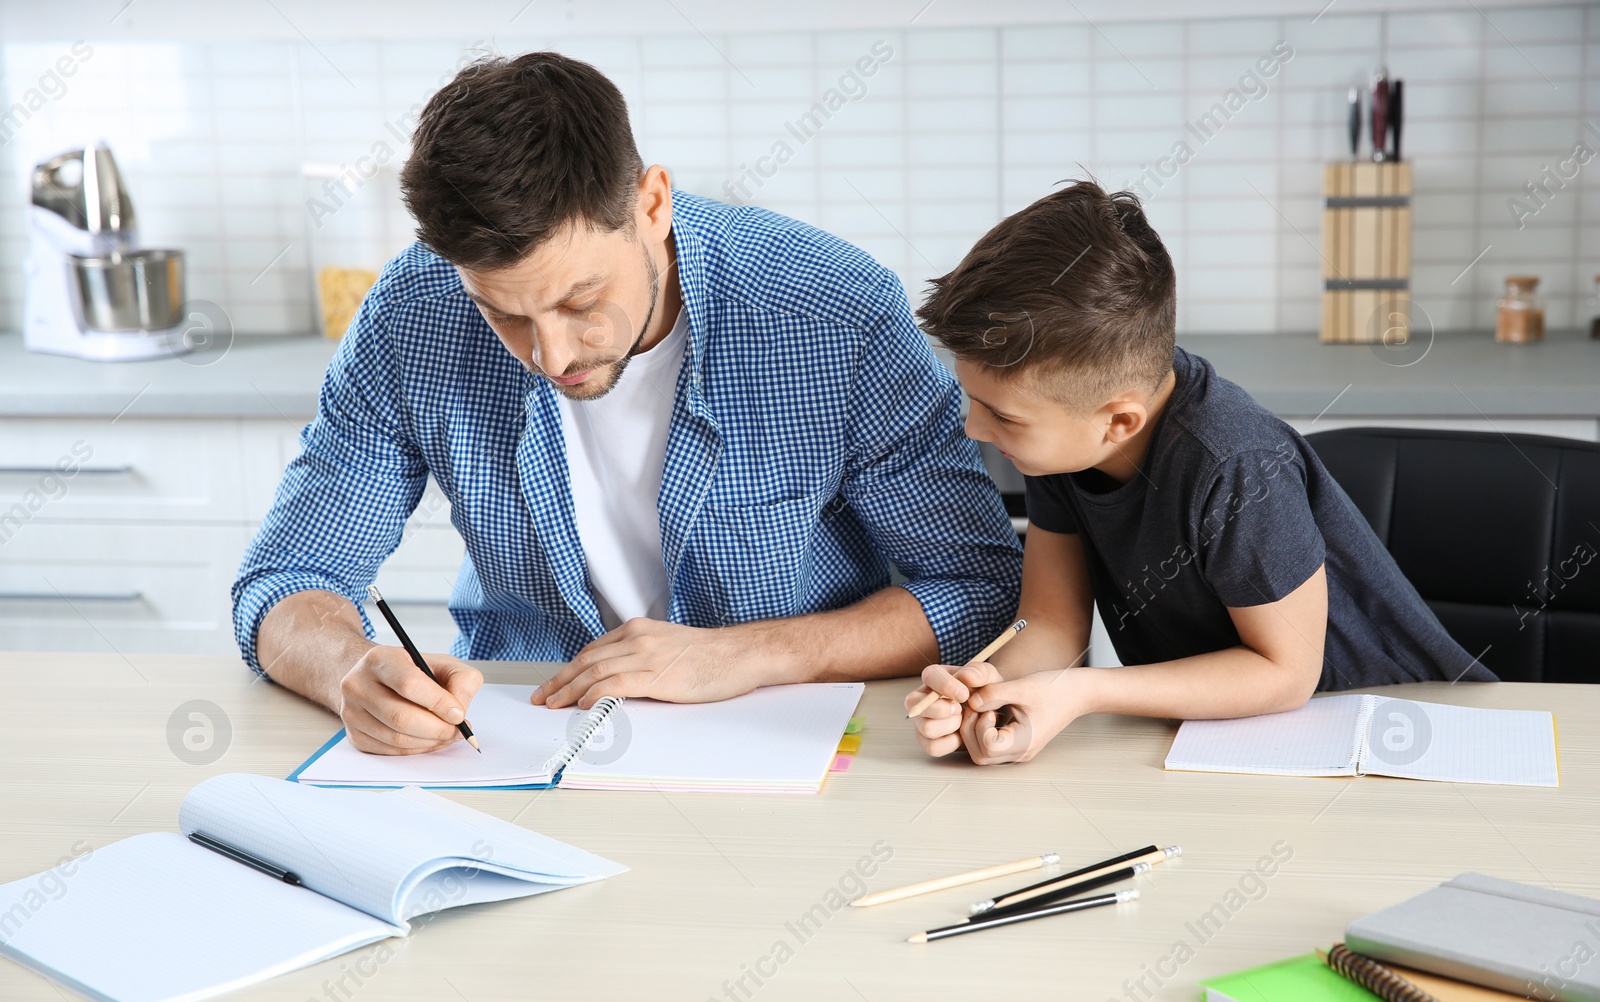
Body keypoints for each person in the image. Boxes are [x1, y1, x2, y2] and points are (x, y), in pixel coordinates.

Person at [233, 52, 1021, 755]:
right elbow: (287, 575)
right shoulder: (412, 313)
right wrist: (347, 670)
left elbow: (978, 584)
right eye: (504, 314)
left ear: (652, 205)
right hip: (518, 739)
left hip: (787, 735)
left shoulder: (832, 311)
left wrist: (750, 653)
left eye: (582, 300)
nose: (552, 356)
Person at [905, 179, 1494, 765]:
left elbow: (1284, 674)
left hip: (1389, 729)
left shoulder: (1235, 466)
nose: (973, 429)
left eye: (1000, 415)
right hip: (1237, 736)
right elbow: (1053, 624)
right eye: (973, 401)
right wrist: (986, 690)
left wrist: (1079, 692)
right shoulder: (1063, 436)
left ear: (1119, 422)